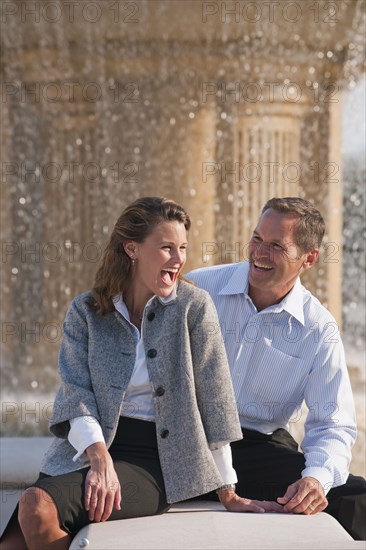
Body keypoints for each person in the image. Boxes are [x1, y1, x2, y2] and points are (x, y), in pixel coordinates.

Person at [1, 197, 283, 550]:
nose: (179, 259)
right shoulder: (87, 311)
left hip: (155, 461)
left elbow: (215, 397)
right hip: (90, 450)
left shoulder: (193, 307)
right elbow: (75, 394)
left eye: (182, 248)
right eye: (166, 248)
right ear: (132, 249)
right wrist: (98, 455)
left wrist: (227, 488)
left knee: (36, 507)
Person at [187, 196, 366, 540]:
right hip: (184, 440)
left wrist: (316, 478)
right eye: (257, 239)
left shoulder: (318, 328)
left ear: (309, 258)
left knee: (356, 499)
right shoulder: (200, 289)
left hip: (255, 449)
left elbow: (333, 422)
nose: (259, 253)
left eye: (276, 246)